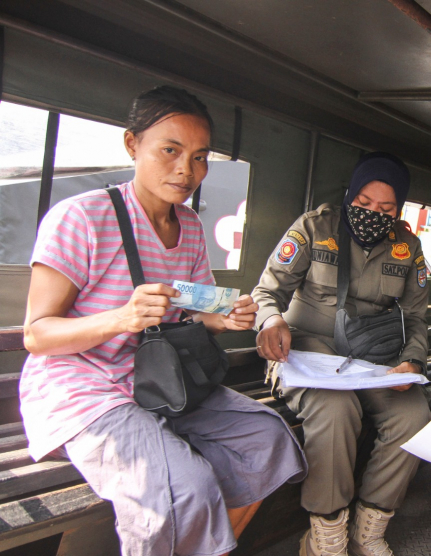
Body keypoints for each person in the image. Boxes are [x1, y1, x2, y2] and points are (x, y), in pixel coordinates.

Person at [20, 86, 307, 556]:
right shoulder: (81, 217)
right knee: (184, 485)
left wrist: (225, 318)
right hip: (82, 389)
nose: (186, 170)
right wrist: (121, 317)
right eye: (170, 151)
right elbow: (37, 335)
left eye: (199, 157)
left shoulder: (189, 227)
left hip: (161, 381)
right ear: (133, 144)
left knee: (268, 437)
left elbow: (194, 311)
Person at [252, 152, 431, 556]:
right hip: (306, 347)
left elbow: (418, 316)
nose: (373, 214)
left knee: (414, 416)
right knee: (336, 411)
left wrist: (413, 361)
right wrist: (269, 321)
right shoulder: (315, 228)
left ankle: (369, 526)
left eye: (386, 208)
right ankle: (326, 532)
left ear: (398, 210)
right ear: (350, 195)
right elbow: (266, 290)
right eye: (364, 204)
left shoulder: (407, 245)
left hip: (372, 356)